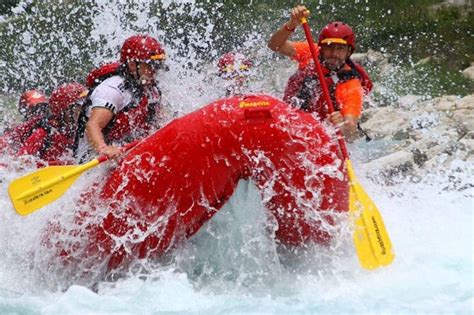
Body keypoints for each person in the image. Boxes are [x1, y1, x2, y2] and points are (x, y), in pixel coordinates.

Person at [268, 5, 372, 142]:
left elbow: (351, 133)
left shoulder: (351, 84)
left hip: (321, 132)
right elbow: (274, 45)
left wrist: (340, 125)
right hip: (292, 118)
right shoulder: (311, 52)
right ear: (321, 48)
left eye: (340, 49)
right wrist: (291, 24)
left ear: (348, 52)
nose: (334, 54)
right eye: (329, 47)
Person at [74, 34, 166, 161]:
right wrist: (103, 149)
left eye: (158, 65)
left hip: (126, 153)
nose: (155, 70)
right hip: (92, 160)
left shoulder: (151, 89)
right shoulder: (113, 89)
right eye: (151, 65)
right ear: (133, 65)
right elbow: (92, 125)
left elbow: (161, 120)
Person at [15, 82, 88, 164]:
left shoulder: (77, 132)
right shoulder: (43, 133)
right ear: (63, 110)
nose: (82, 110)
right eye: (78, 106)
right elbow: (20, 164)